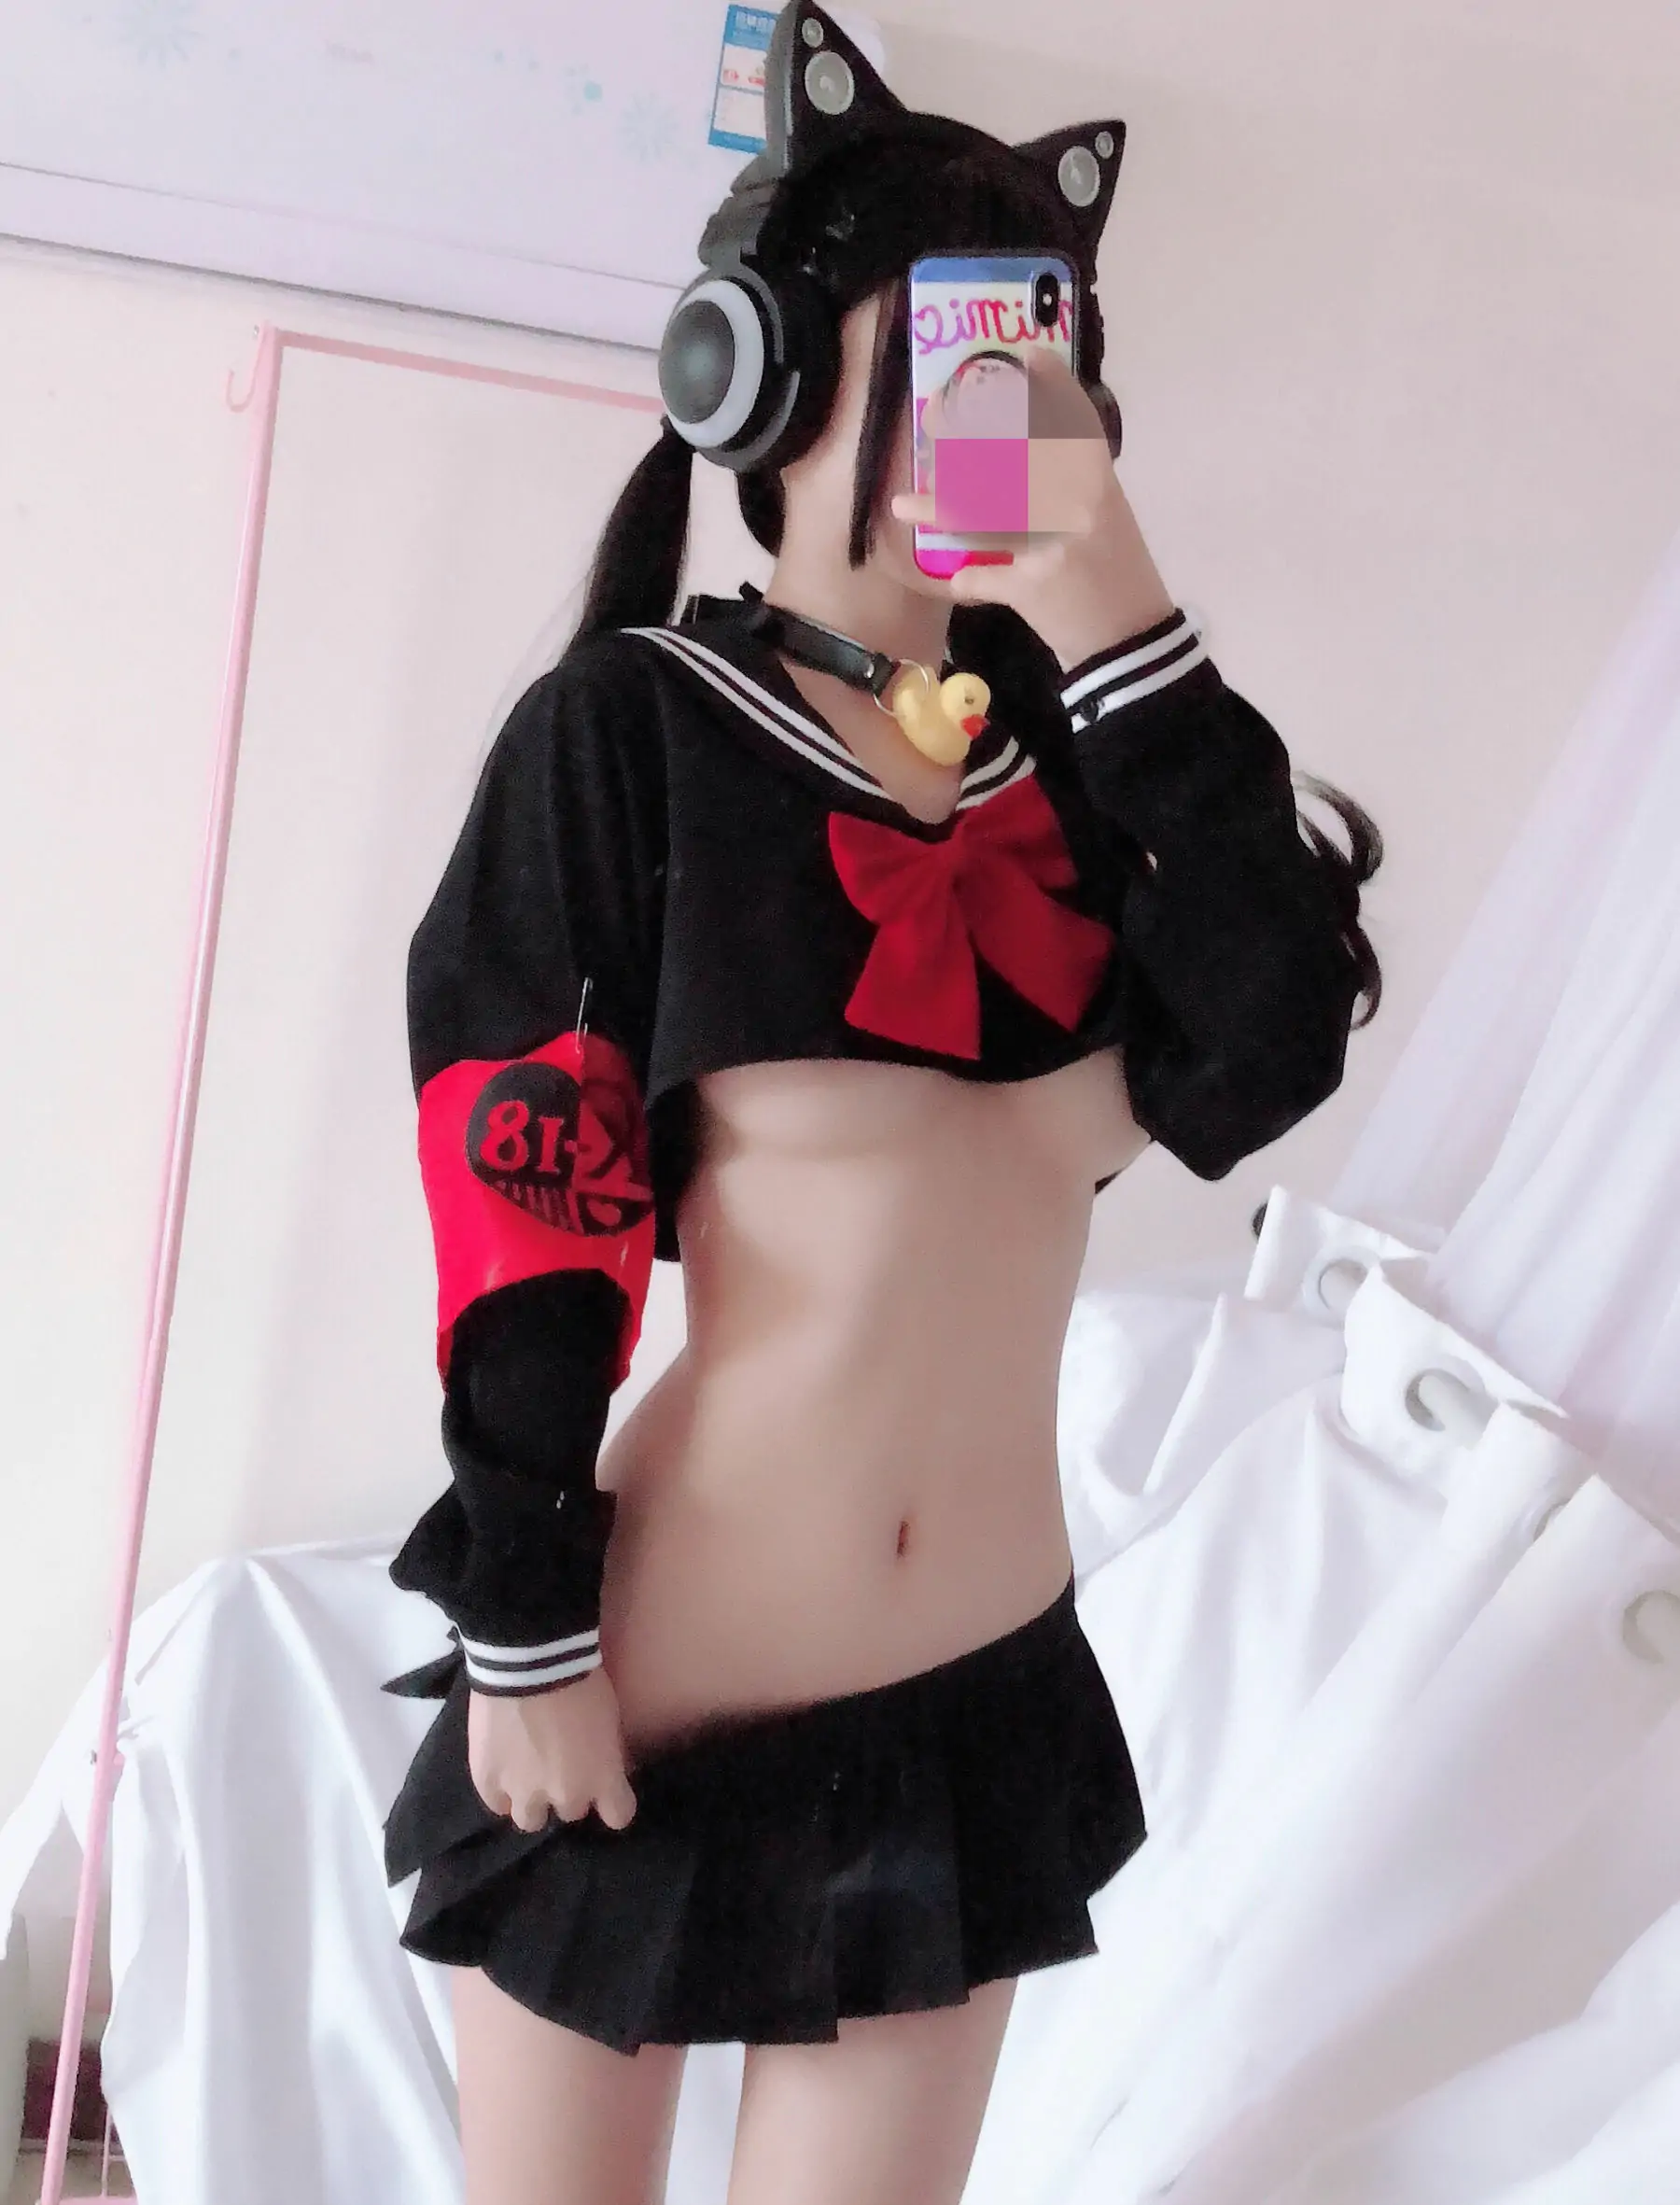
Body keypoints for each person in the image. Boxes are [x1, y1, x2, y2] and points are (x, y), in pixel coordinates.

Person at [378, 7, 1383, 2201]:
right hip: (649, 1684)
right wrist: (524, 1622)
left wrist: (1110, 601)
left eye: (1038, 345)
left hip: (973, 1707)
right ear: (761, 376)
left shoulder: (1087, 765)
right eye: (948, 339)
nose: (994, 399)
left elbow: (1275, 1038)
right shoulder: (633, 733)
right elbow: (519, 1178)